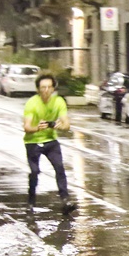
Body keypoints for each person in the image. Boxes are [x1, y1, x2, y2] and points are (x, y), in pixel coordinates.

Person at [23, 74, 77, 213]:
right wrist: (37, 128)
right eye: (43, 87)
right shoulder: (32, 103)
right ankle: (31, 200)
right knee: (35, 171)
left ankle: (65, 200)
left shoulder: (59, 101)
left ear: (53, 88)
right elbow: (27, 127)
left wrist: (60, 125)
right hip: (33, 141)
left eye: (49, 87)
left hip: (50, 140)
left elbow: (67, 125)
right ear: (38, 89)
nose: (46, 90)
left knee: (59, 167)